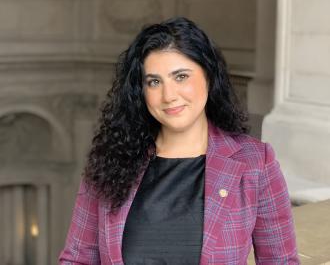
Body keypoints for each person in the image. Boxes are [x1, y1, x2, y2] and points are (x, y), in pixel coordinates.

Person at [59, 17, 299, 264]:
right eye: (154, 82)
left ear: (208, 76)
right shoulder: (111, 162)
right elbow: (77, 259)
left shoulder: (256, 162)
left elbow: (281, 260)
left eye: (181, 77)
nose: (169, 95)